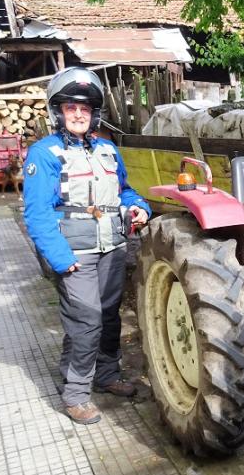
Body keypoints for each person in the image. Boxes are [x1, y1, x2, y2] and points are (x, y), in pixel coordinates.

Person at [23, 67, 151, 425]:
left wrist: (139, 207)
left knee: (108, 316)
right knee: (86, 319)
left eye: (85, 107)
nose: (78, 113)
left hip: (112, 247)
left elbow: (124, 191)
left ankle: (107, 375)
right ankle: (76, 392)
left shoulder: (108, 150)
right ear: (58, 112)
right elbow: (36, 214)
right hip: (73, 253)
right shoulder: (44, 153)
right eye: (70, 107)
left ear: (94, 112)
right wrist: (61, 259)